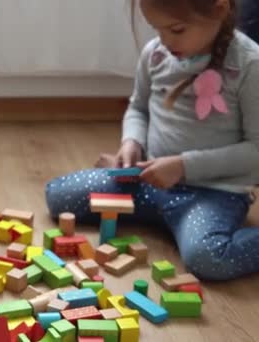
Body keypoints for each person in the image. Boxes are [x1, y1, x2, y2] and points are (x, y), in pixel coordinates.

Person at [46, 0, 259, 281]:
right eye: (157, 29)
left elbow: (255, 151)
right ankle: (164, 218)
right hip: (147, 180)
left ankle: (179, 222)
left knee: (207, 259)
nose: (165, 41)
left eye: (176, 29)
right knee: (58, 196)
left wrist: (183, 166)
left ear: (219, 10)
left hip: (212, 193)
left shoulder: (249, 64)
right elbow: (139, 109)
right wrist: (131, 143)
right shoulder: (156, 54)